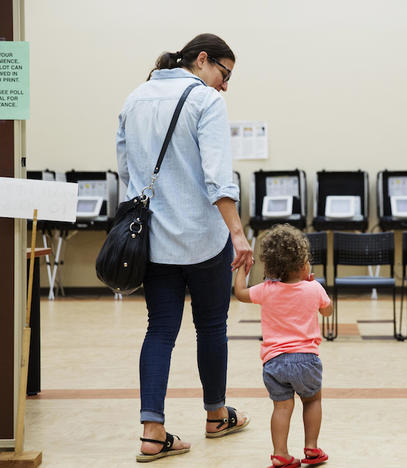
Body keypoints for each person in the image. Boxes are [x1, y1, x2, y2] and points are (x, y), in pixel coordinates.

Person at [116, 33, 252, 463]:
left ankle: (152, 433)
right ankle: (216, 415)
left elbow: (126, 173)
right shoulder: (205, 101)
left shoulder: (134, 99)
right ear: (203, 59)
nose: (225, 85)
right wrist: (237, 232)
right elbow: (218, 177)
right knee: (211, 327)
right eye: (224, 74)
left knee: (160, 330)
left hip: (154, 241)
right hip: (203, 239)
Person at [234, 225, 332, 468]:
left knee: (281, 406)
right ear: (302, 265)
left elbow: (240, 293)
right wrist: (313, 287)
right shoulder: (314, 288)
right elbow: (328, 310)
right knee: (312, 401)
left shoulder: (266, 290)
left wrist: (242, 270)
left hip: (274, 362)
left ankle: (281, 454)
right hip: (306, 360)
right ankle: (311, 448)